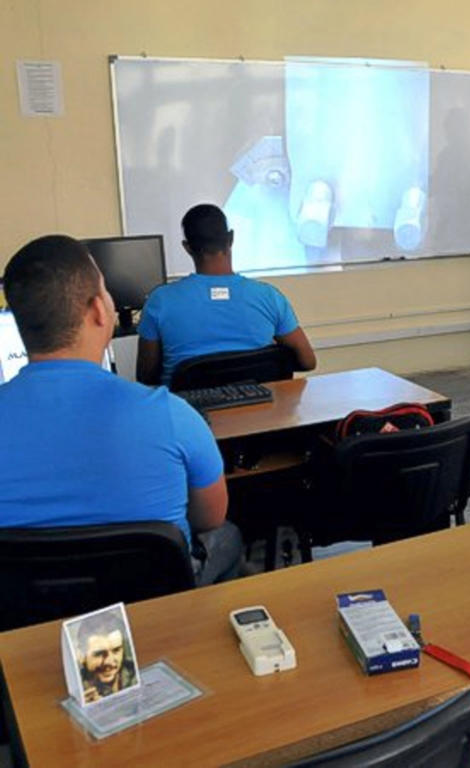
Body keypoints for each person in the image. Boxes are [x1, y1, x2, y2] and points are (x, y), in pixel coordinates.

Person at [0, 235, 243, 585]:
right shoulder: (172, 416)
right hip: (154, 616)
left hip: (26, 625)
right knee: (228, 536)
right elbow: (210, 517)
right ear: (100, 310)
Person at [136, 203, 317, 386]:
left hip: (189, 413)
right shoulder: (269, 296)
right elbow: (308, 361)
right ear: (231, 239)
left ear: (187, 247)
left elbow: (146, 377)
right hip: (260, 413)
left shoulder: (160, 301)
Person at [76, 611, 136, 702]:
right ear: (81, 656)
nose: (110, 662)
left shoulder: (134, 673)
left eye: (116, 650)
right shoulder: (77, 689)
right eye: (99, 654)